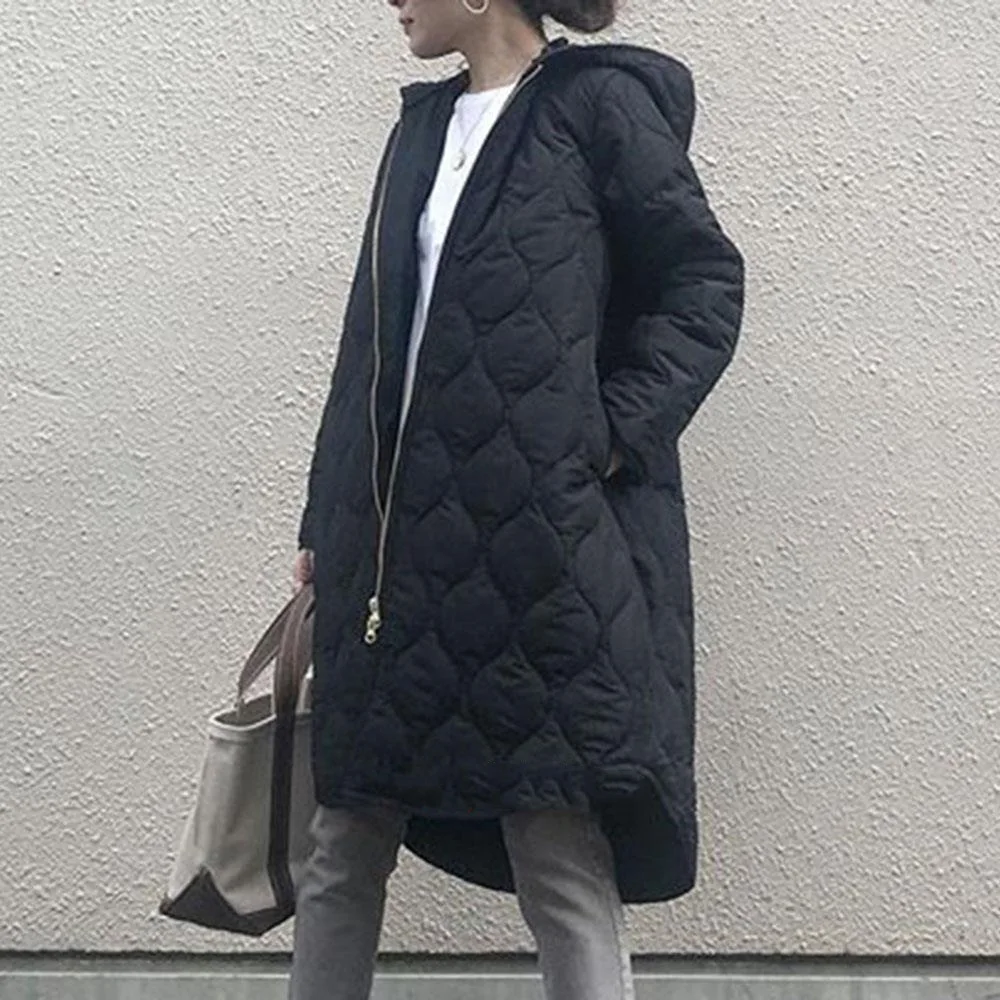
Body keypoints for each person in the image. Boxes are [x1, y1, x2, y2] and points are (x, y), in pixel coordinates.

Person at [288, 0, 744, 992]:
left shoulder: (598, 108)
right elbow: (369, 347)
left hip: (540, 555)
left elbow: (702, 284)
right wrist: (325, 517)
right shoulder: (417, 129)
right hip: (392, 557)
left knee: (557, 845)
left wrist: (605, 437)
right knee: (341, 841)